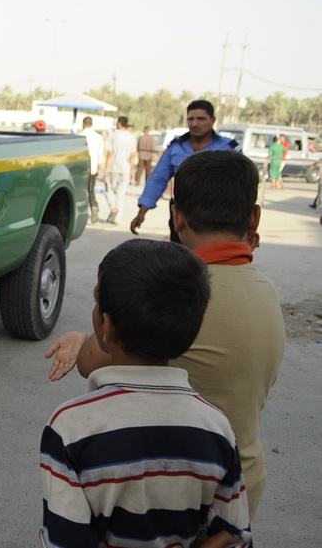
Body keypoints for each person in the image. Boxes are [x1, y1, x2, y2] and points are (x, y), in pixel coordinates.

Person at [46, 151, 285, 520]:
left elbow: (92, 359)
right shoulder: (266, 291)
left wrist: (83, 339)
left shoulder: (171, 295)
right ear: (254, 217)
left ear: (177, 217)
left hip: (162, 489)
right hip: (239, 485)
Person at [39, 238, 252, 547]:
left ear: (106, 326)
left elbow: (64, 542)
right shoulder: (217, 428)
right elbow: (233, 537)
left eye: (97, 300)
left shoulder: (69, 428)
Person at [130, 100, 238, 242]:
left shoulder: (229, 148)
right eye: (190, 119)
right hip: (182, 218)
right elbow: (158, 179)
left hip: (218, 218)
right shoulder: (175, 147)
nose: (194, 123)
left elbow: (242, 185)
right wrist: (142, 212)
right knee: (180, 254)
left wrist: (247, 225)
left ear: (212, 120)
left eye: (200, 119)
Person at [102, 116, 135, 224]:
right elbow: (132, 155)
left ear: (119, 123)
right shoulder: (132, 137)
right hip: (125, 168)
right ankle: (118, 218)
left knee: (109, 190)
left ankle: (113, 207)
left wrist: (106, 169)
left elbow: (110, 153)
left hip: (114, 167)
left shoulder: (113, 135)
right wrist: (132, 171)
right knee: (121, 193)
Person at [78, 116, 104, 224]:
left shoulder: (80, 137)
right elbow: (100, 155)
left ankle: (81, 214)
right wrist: (99, 168)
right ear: (91, 124)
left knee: (81, 191)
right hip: (93, 168)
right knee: (91, 190)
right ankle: (94, 208)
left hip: (81, 169)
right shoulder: (99, 137)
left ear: (83, 124)